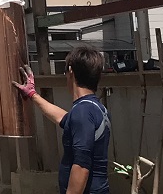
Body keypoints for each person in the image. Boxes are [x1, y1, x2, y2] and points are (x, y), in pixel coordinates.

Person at [13, 46, 111, 194]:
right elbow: (64, 118)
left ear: (70, 71)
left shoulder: (82, 112)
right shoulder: (95, 108)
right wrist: (32, 94)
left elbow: (81, 166)